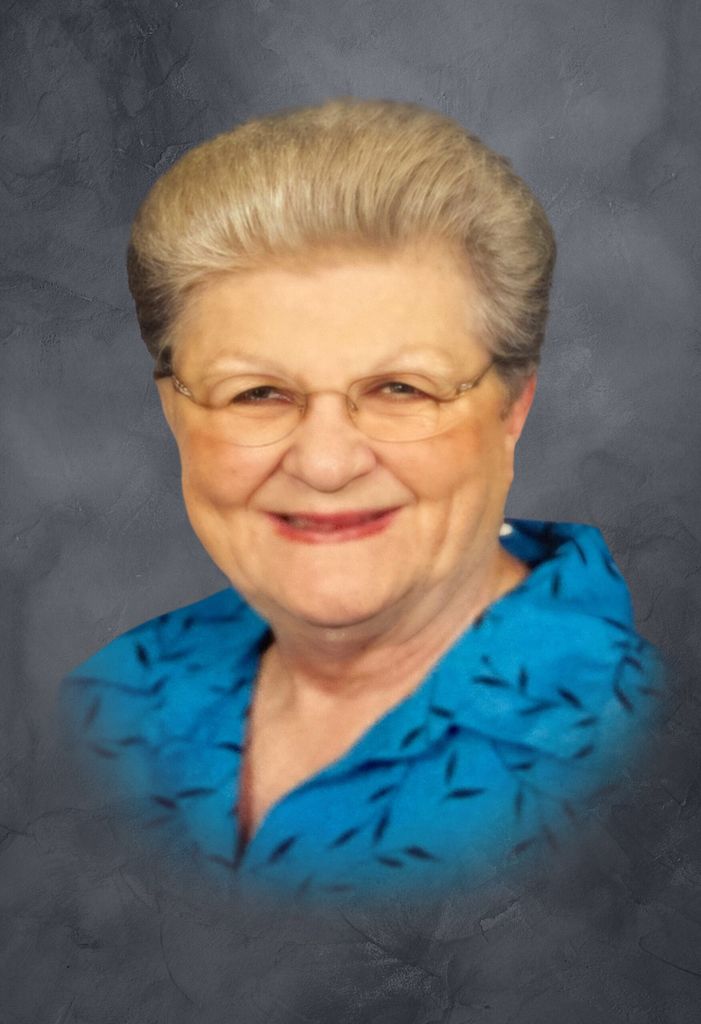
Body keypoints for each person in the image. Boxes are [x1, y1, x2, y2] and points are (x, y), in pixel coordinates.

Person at [60, 97, 665, 906]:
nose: (325, 463)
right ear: (175, 411)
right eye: (257, 393)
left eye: (400, 388)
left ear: (511, 408)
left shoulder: (653, 756)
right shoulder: (105, 705)